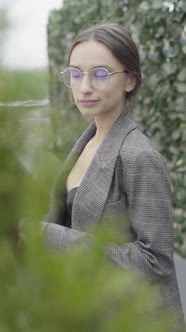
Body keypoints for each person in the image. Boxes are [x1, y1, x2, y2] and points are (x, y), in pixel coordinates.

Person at [42, 22, 185, 330]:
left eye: (101, 74)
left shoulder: (139, 156)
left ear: (130, 80)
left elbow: (156, 261)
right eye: (76, 73)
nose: (84, 87)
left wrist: (53, 238)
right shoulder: (89, 140)